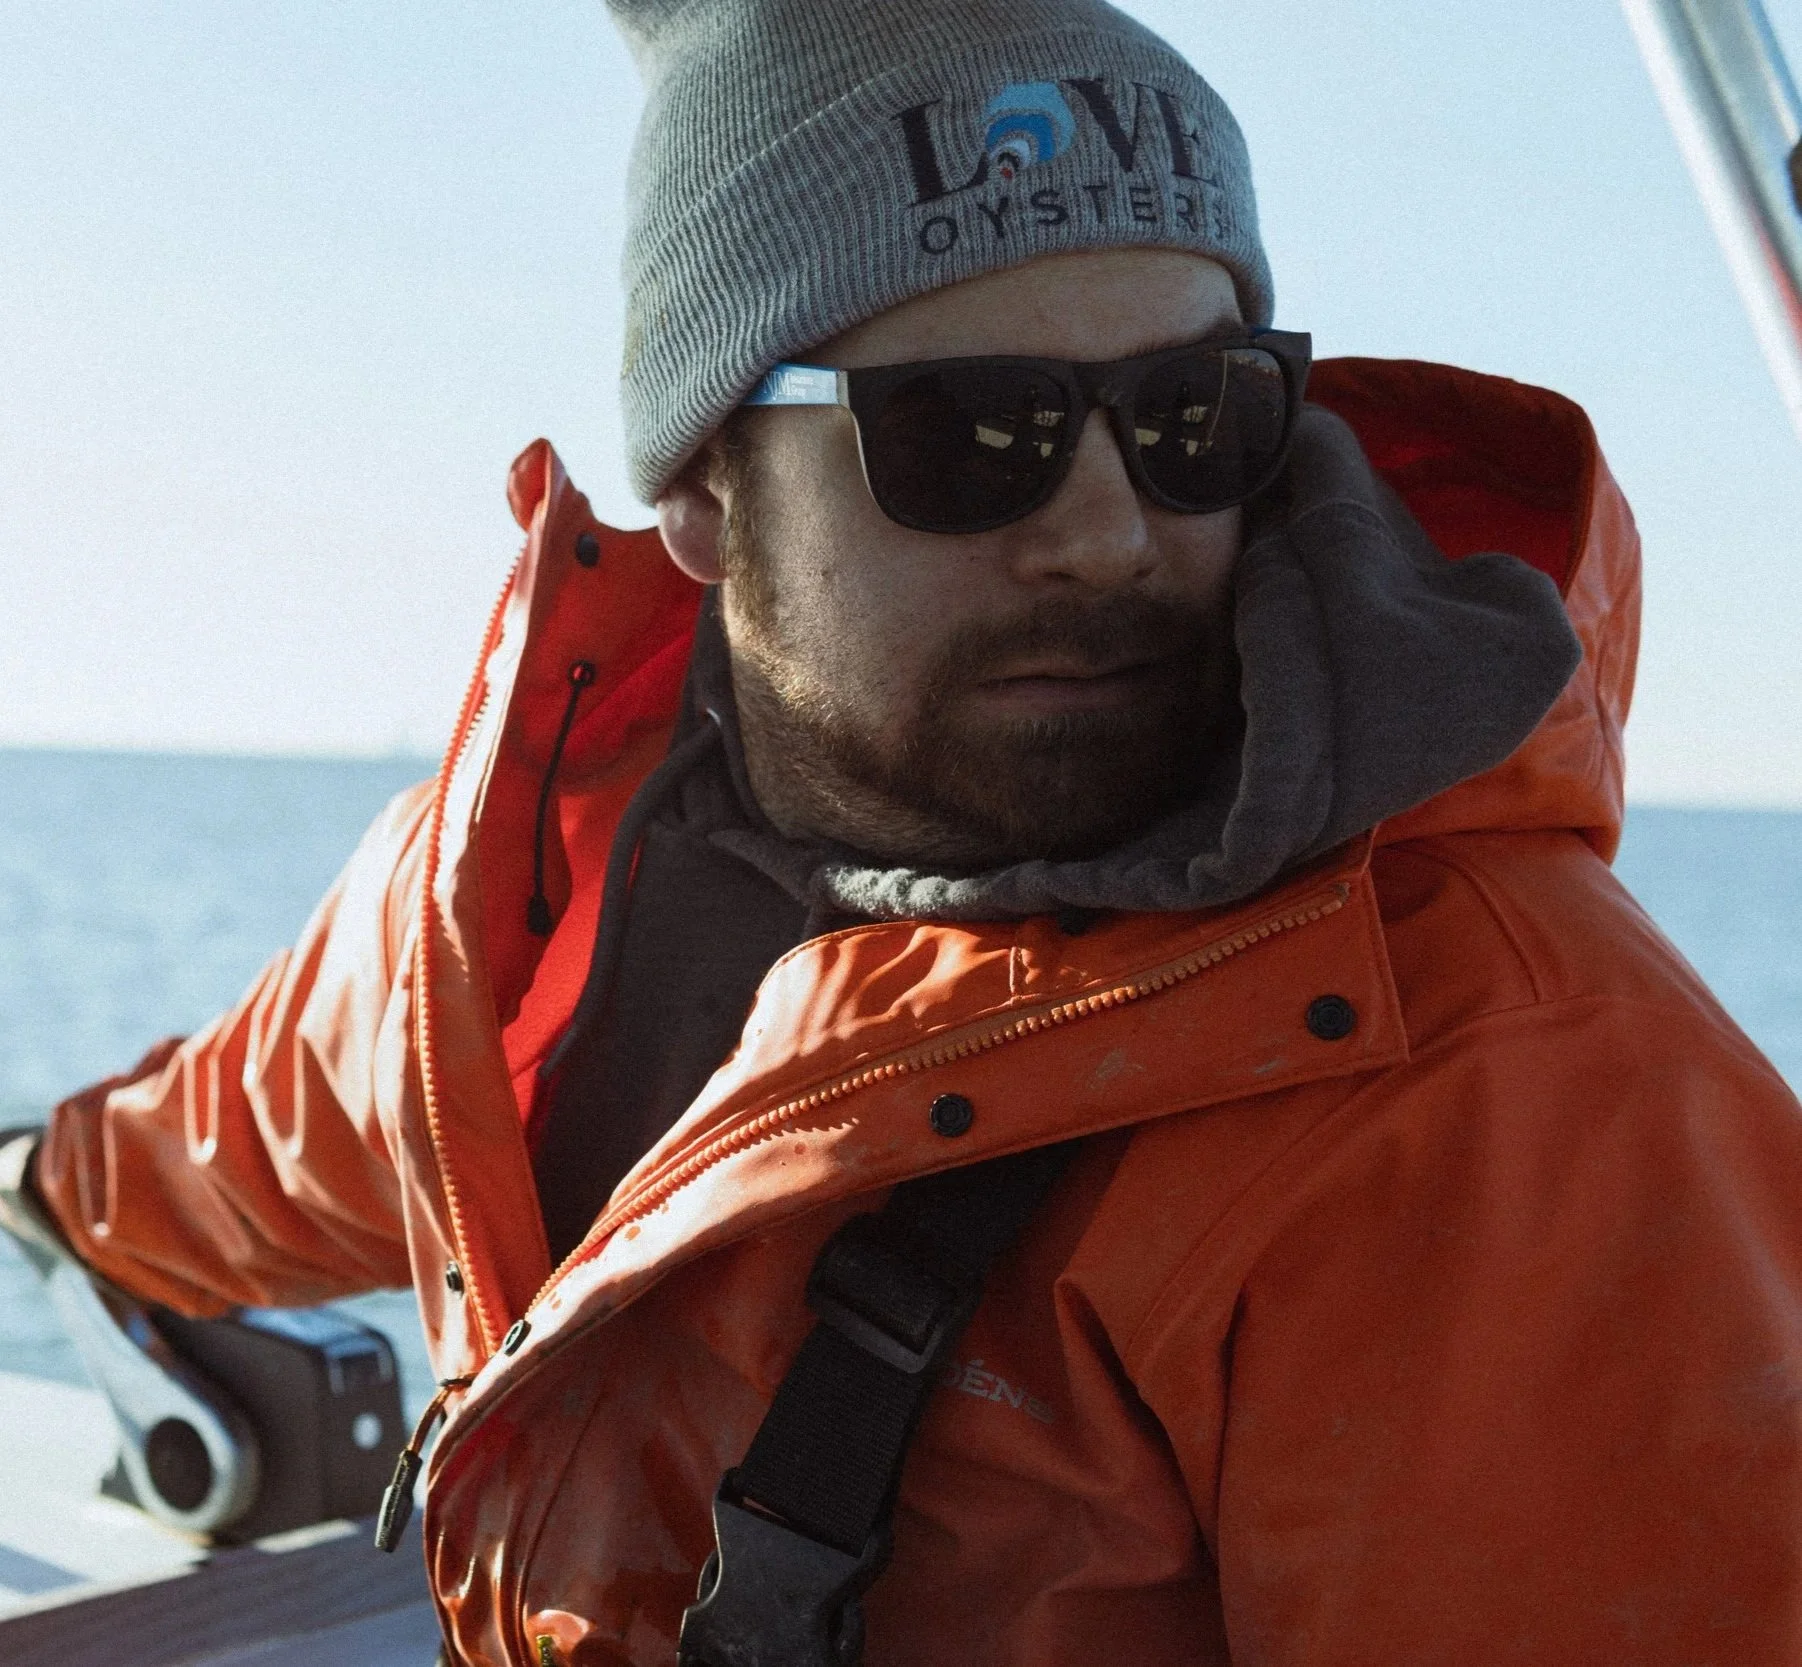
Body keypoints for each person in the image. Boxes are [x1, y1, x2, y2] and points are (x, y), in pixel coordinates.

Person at [5, 1, 1802, 1661]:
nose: (1106, 535)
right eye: (971, 435)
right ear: (706, 490)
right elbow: (237, 1146)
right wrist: (37, 1194)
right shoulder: (506, 903)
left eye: (1192, 421)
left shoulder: (1507, 1093)